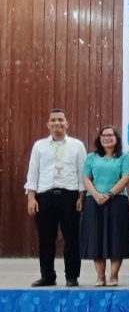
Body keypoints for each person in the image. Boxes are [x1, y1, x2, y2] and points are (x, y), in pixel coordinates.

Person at [24, 108, 87, 287]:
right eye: (53, 120)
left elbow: (83, 173)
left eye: (60, 120)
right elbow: (33, 172)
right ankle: (47, 276)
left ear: (67, 124)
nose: (57, 123)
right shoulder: (39, 146)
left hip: (70, 195)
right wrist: (31, 198)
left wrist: (82, 196)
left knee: (72, 238)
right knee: (45, 239)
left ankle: (72, 276)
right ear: (48, 125)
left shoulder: (77, 145)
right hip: (45, 196)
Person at [80, 126, 129, 287]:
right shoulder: (91, 157)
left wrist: (109, 194)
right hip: (94, 201)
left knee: (117, 239)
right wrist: (96, 195)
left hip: (117, 201)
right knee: (97, 239)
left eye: (110, 135)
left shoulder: (124, 157)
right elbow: (86, 178)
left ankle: (113, 276)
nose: (106, 138)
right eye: (103, 135)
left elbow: (126, 177)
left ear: (116, 138)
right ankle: (100, 277)